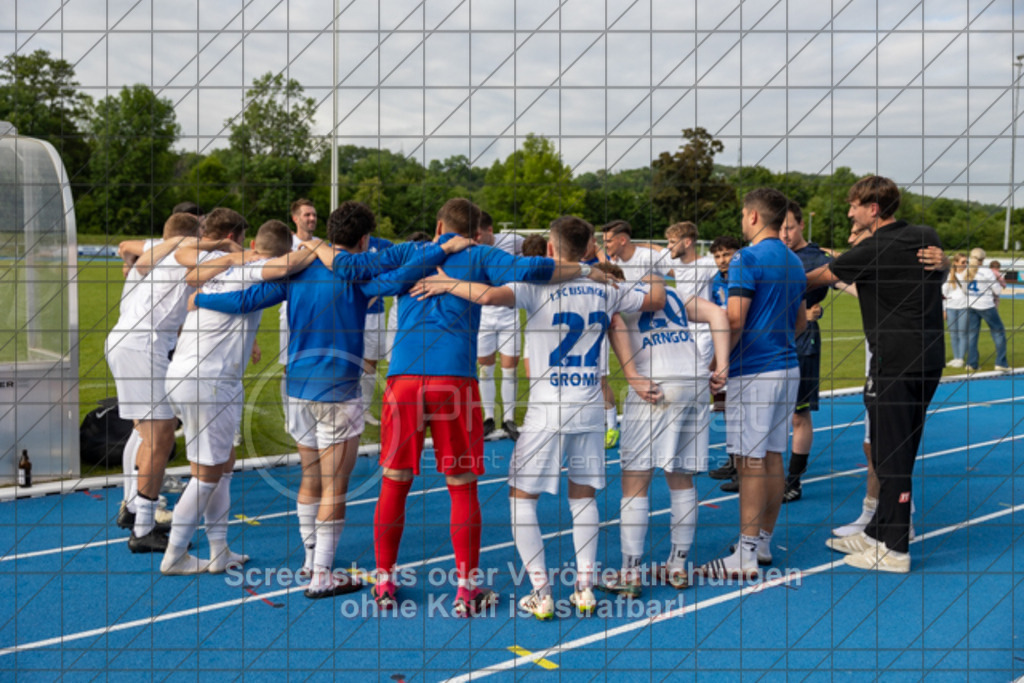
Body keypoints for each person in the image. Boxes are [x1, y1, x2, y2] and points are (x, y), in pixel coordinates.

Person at [196, 201, 471, 598]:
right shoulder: (360, 278)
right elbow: (403, 277)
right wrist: (442, 249)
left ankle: (311, 560)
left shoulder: (299, 268)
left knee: (310, 476)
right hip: (339, 392)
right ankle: (322, 574)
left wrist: (200, 300)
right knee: (334, 487)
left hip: (296, 389)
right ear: (363, 240)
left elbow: (245, 300)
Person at [353, 198, 611, 616]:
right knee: (461, 483)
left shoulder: (409, 252)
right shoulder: (482, 254)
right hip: (453, 378)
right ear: (477, 232)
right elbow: (532, 269)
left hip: (403, 379)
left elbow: (367, 280)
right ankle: (466, 590)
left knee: (394, 480)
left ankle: (384, 580)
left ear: (438, 224)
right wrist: (585, 268)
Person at [413, 215, 663, 619]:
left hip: (549, 407)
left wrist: (447, 283)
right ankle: (584, 588)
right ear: (586, 249)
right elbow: (655, 299)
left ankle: (542, 591)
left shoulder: (538, 284)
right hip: (589, 406)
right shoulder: (607, 286)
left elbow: (489, 296)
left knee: (520, 499)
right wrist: (647, 264)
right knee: (584, 495)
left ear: (550, 248)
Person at [808, 175, 946, 573]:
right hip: (926, 360)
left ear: (872, 209)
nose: (849, 212)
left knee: (892, 457)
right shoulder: (923, 234)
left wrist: (759, 278)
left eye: (854, 206)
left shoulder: (871, 249)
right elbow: (933, 268)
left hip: (895, 364)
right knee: (895, 450)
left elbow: (811, 280)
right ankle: (878, 533)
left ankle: (896, 549)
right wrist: (948, 262)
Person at [160, 219, 312, 575]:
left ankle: (218, 552)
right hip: (209, 379)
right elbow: (287, 266)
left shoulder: (217, 269)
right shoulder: (257, 266)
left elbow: (195, 282)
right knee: (207, 475)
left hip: (189, 373)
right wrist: (314, 250)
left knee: (223, 467)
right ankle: (175, 554)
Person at [600, 244, 730, 597]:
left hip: (656, 383)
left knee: (635, 480)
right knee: (681, 477)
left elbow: (614, 323)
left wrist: (630, 376)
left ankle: (629, 572)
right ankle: (677, 566)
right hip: (693, 381)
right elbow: (720, 314)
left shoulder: (616, 294)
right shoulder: (670, 293)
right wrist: (721, 365)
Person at [105, 210, 237, 553]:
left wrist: (133, 257)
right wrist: (229, 247)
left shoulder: (165, 246)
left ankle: (135, 509)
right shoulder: (188, 247)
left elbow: (125, 245)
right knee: (160, 434)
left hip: (133, 341)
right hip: (142, 342)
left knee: (148, 431)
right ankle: (143, 527)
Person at [694, 188, 807, 580]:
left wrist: (715, 364)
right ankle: (761, 543)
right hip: (787, 366)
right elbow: (801, 323)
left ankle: (743, 554)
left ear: (754, 217)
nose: (742, 221)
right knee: (773, 456)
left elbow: (735, 319)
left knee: (750, 461)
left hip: (754, 371)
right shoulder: (793, 260)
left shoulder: (746, 258)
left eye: (744, 215)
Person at [779, 200, 843, 503]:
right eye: (779, 228)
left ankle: (793, 481)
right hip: (769, 341)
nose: (784, 234)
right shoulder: (771, 253)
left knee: (797, 414)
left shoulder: (817, 258)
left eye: (789, 227)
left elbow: (847, 282)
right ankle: (750, 473)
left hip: (802, 342)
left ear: (801, 225)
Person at [601, 220, 677, 447]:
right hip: (635, 334)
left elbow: (679, 275)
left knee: (661, 384)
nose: (604, 245)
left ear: (622, 239)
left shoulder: (647, 258)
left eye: (608, 240)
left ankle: (667, 438)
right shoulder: (614, 263)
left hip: (659, 333)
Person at [475, 212, 525, 440]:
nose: (475, 238)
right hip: (482, 314)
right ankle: (488, 417)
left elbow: (536, 248)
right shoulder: (469, 245)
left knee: (510, 369)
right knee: (485, 369)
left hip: (508, 313)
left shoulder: (513, 240)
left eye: (478, 234)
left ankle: (508, 418)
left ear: (490, 230)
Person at [704, 235, 742, 490]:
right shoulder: (717, 281)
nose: (722, 260)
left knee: (742, 412)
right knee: (723, 407)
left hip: (744, 349)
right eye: (717, 256)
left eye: (727, 254)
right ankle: (732, 460)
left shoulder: (746, 278)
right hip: (724, 347)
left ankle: (744, 471)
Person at [965, 247, 1009, 373]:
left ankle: (971, 363)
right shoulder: (987, 272)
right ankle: (1001, 362)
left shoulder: (967, 271)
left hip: (971, 304)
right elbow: (997, 290)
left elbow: (963, 289)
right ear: (983, 259)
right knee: (998, 332)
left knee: (972, 335)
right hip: (985, 305)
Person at [942, 253, 969, 368]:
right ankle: (956, 357)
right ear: (956, 263)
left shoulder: (968, 274)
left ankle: (961, 358)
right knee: (953, 334)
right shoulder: (949, 275)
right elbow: (944, 292)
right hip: (951, 307)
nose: (965, 264)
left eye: (966, 262)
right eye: (963, 262)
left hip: (964, 307)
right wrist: (944, 309)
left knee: (962, 333)